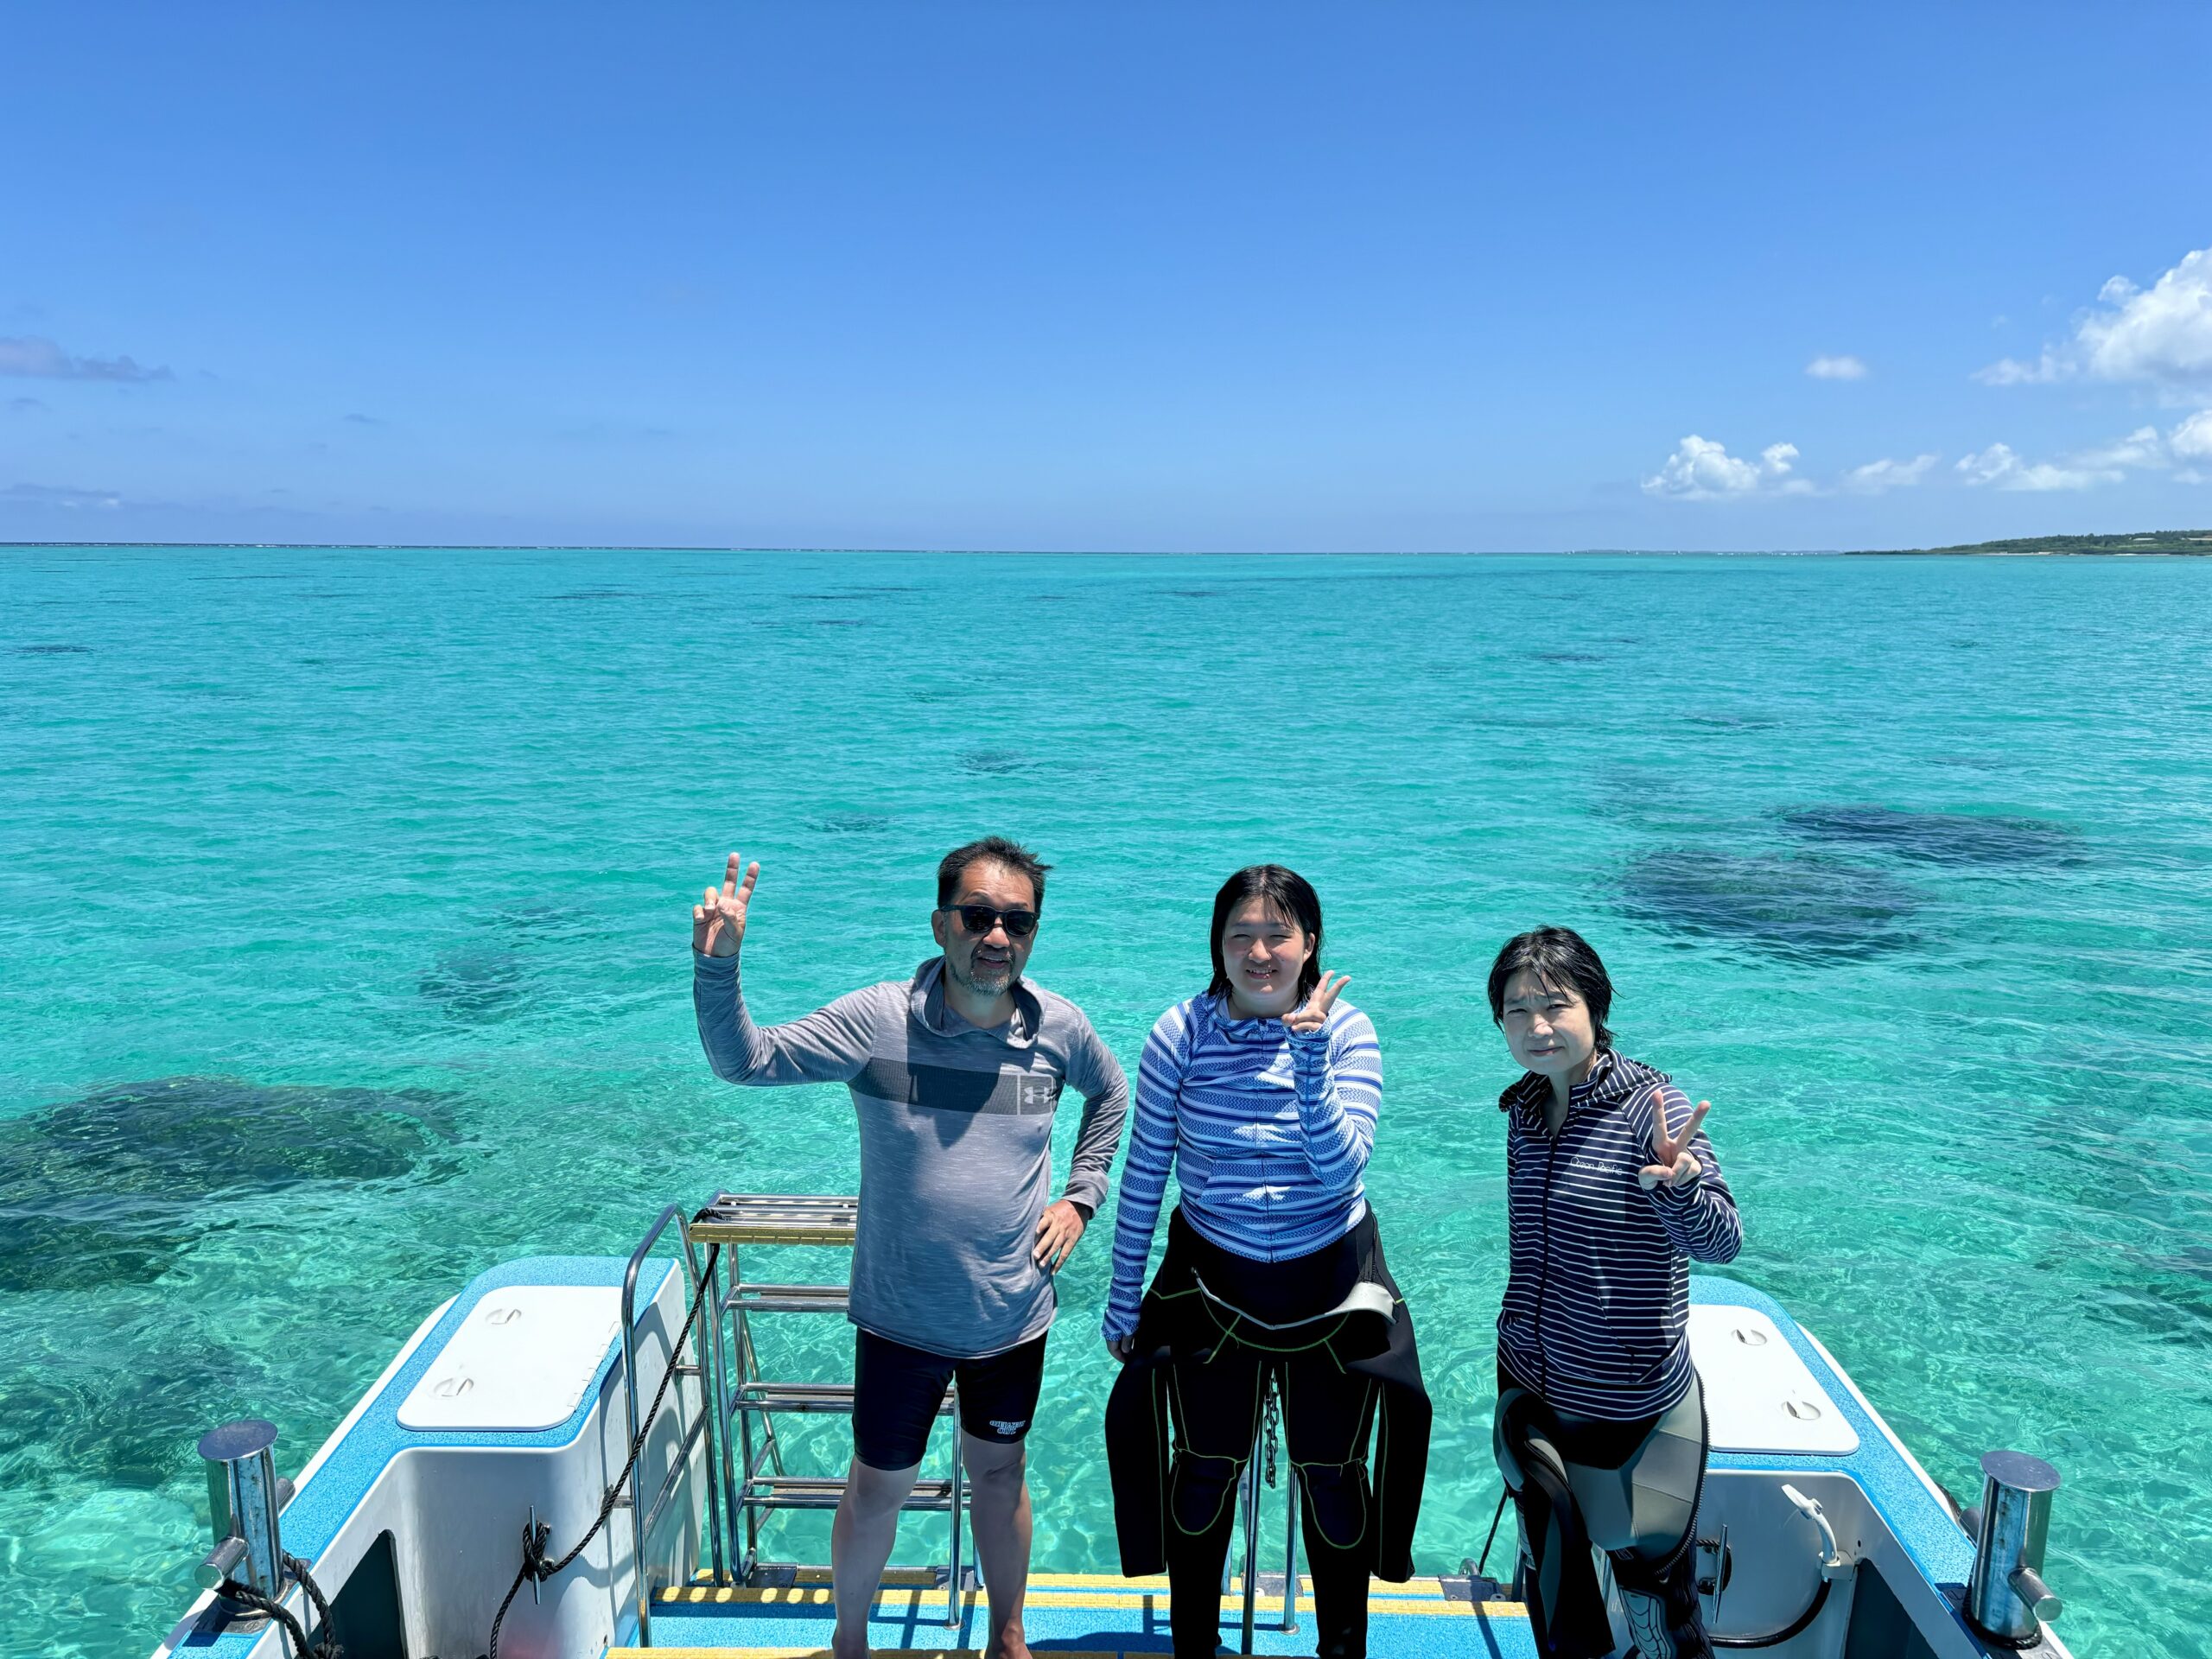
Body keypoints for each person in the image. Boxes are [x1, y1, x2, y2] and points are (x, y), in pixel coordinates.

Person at [691, 836, 1128, 1659]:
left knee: (1000, 1477)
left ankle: (1008, 1640)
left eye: (1017, 922)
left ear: (1033, 934)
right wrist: (719, 967)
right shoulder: (876, 1021)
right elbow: (745, 1062)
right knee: (878, 1490)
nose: (996, 936)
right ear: (940, 924)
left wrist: (1082, 1197)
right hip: (899, 1321)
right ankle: (850, 1645)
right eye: (977, 916)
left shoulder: (1058, 1028)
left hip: (1011, 1316)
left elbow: (1111, 1092)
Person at [1101, 865, 1429, 1659]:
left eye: (1277, 935)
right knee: (1202, 1473)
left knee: (1334, 1478)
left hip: (1331, 1284)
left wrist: (1307, 1056)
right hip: (1215, 1282)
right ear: (1216, 945)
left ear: (1310, 943)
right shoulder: (1180, 1032)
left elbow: (1341, 1171)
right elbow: (1145, 1172)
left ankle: (1341, 1651)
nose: (1258, 953)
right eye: (1240, 935)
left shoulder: (1349, 1030)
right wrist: (1122, 1297)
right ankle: (1194, 1649)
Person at [1485, 927, 1742, 1659]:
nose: (1537, 1027)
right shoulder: (1526, 1108)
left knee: (1657, 1606)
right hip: (1529, 1385)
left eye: (1555, 1006)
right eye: (1516, 1011)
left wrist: (1681, 1187)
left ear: (1595, 1008)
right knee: (1554, 1596)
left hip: (1627, 1405)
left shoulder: (1652, 1109)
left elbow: (1722, 1241)